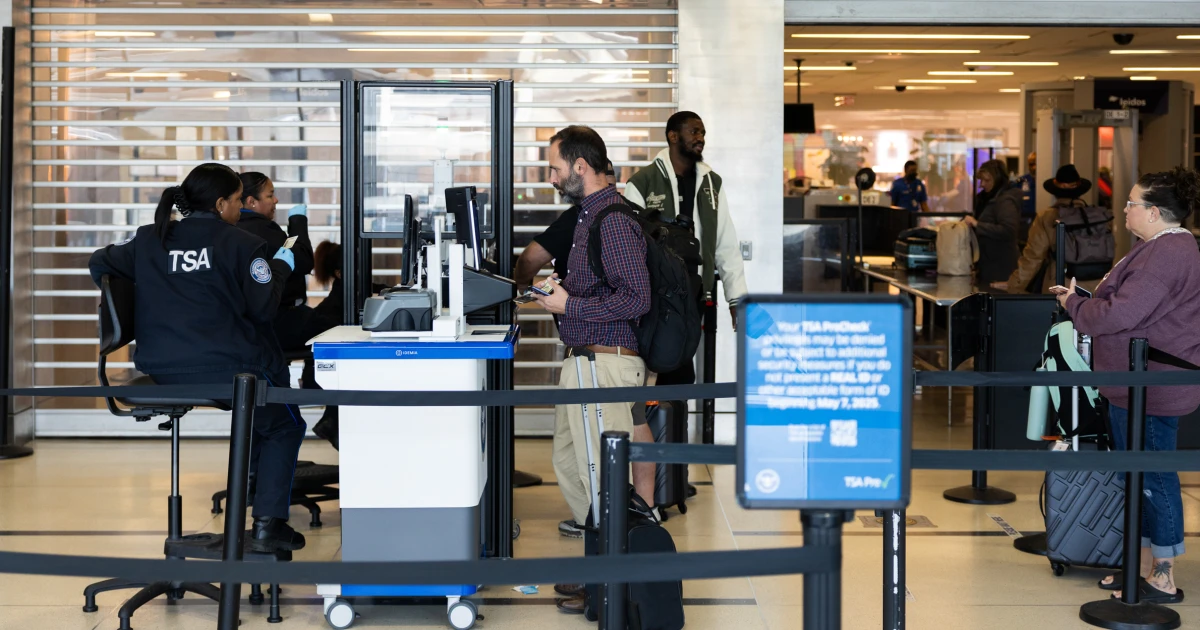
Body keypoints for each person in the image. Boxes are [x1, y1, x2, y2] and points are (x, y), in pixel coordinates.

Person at [88, 163, 307, 552]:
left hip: (161, 371)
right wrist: (279, 268)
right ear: (221, 203)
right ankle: (268, 524)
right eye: (239, 201)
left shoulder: (148, 241)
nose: (241, 209)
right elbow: (263, 310)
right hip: (232, 372)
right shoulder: (240, 244)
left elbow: (100, 264)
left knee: (266, 412)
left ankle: (258, 515)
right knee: (284, 425)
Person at [1058, 167, 1200, 604]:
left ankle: (1162, 575)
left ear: (1154, 212)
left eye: (1132, 203)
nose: (1124, 209)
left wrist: (1075, 305)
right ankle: (1134, 566)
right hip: (1134, 386)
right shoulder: (1160, 247)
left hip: (1150, 388)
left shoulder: (1168, 254)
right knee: (1137, 476)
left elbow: (1120, 314)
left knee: (1154, 476)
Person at [531, 126, 651, 615]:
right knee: (572, 467)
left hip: (607, 364)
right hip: (584, 363)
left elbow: (636, 298)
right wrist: (558, 292)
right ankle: (600, 569)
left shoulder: (614, 221)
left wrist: (568, 305)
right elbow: (602, 289)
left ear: (580, 167)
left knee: (604, 478)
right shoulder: (587, 217)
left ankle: (616, 584)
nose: (552, 177)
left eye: (556, 169)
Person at [622, 111, 748, 359]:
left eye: (702, 133)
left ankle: (678, 400)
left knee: (684, 365)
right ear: (673, 136)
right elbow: (629, 244)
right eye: (694, 131)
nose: (700, 138)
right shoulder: (642, 182)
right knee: (658, 364)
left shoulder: (711, 182)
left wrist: (737, 300)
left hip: (697, 292)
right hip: (656, 295)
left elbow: (726, 245)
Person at [236, 173, 316, 352]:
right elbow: (303, 260)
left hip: (244, 327)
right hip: (278, 322)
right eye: (270, 195)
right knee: (333, 331)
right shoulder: (263, 230)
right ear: (251, 202)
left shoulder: (230, 230)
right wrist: (298, 222)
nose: (276, 200)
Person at [995, 164, 1103, 294]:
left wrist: (1014, 285)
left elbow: (1033, 258)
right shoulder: (1098, 217)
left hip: (1062, 287)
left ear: (1055, 192)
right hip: (1097, 288)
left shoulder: (1047, 217)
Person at [965, 159, 1021, 284]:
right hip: (988, 265)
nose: (982, 184)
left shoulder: (1005, 201)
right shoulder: (987, 199)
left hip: (1000, 268)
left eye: (987, 180)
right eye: (981, 180)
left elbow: (1008, 230)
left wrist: (977, 224)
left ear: (998, 180)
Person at [1017, 151, 1038, 220]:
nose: (1034, 167)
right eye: (1031, 164)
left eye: (1036, 164)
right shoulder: (1021, 182)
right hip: (1025, 220)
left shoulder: (1047, 182)